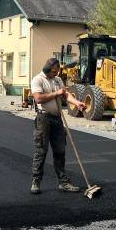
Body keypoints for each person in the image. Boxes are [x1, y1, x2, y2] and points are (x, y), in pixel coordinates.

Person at [30, 58, 87, 195]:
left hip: (57, 119)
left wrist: (77, 102)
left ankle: (63, 182)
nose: (56, 73)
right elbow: (38, 98)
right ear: (48, 69)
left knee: (60, 151)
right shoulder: (38, 80)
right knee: (41, 151)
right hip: (43, 119)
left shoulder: (57, 80)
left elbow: (65, 94)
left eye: (57, 71)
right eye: (54, 71)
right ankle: (36, 181)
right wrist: (56, 93)